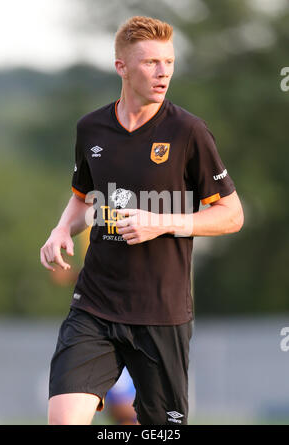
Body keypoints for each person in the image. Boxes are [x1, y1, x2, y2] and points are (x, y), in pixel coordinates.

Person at [40, 16, 244, 425]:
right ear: (122, 67)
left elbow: (231, 215)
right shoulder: (91, 129)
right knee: (63, 420)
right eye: (151, 62)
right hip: (95, 305)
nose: (163, 71)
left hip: (161, 311)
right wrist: (62, 228)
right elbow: (83, 197)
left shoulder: (189, 132)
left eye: (168, 61)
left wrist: (163, 222)